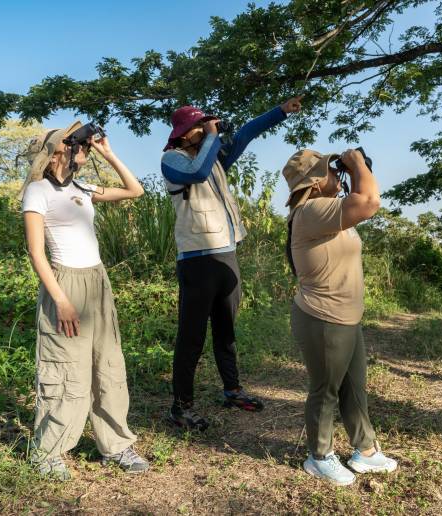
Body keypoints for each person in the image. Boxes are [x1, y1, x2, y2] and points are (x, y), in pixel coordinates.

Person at [161, 96, 302, 430]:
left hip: (227, 255)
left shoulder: (214, 159)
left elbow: (245, 135)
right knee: (191, 338)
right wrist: (212, 137)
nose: (207, 129)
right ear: (183, 133)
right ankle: (181, 407)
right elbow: (195, 173)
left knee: (226, 331)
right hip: (197, 260)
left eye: (208, 125)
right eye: (200, 126)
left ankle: (232, 389)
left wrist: (279, 110)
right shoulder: (173, 160)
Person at [20, 122, 148, 480]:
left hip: (97, 280)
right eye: (75, 141)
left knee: (107, 364)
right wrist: (60, 300)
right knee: (66, 368)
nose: (82, 146)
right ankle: (48, 451)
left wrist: (108, 153)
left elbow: (134, 190)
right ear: (56, 150)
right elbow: (36, 253)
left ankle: (117, 445)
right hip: (65, 281)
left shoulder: (82, 187)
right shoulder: (38, 191)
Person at [282, 148, 398, 486]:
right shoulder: (311, 211)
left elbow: (362, 202)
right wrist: (358, 163)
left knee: (354, 389)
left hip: (346, 316)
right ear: (314, 183)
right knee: (326, 390)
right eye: (331, 170)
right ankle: (319, 457)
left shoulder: (329, 210)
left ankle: (365, 450)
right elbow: (370, 202)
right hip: (323, 317)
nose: (339, 174)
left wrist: (352, 169)